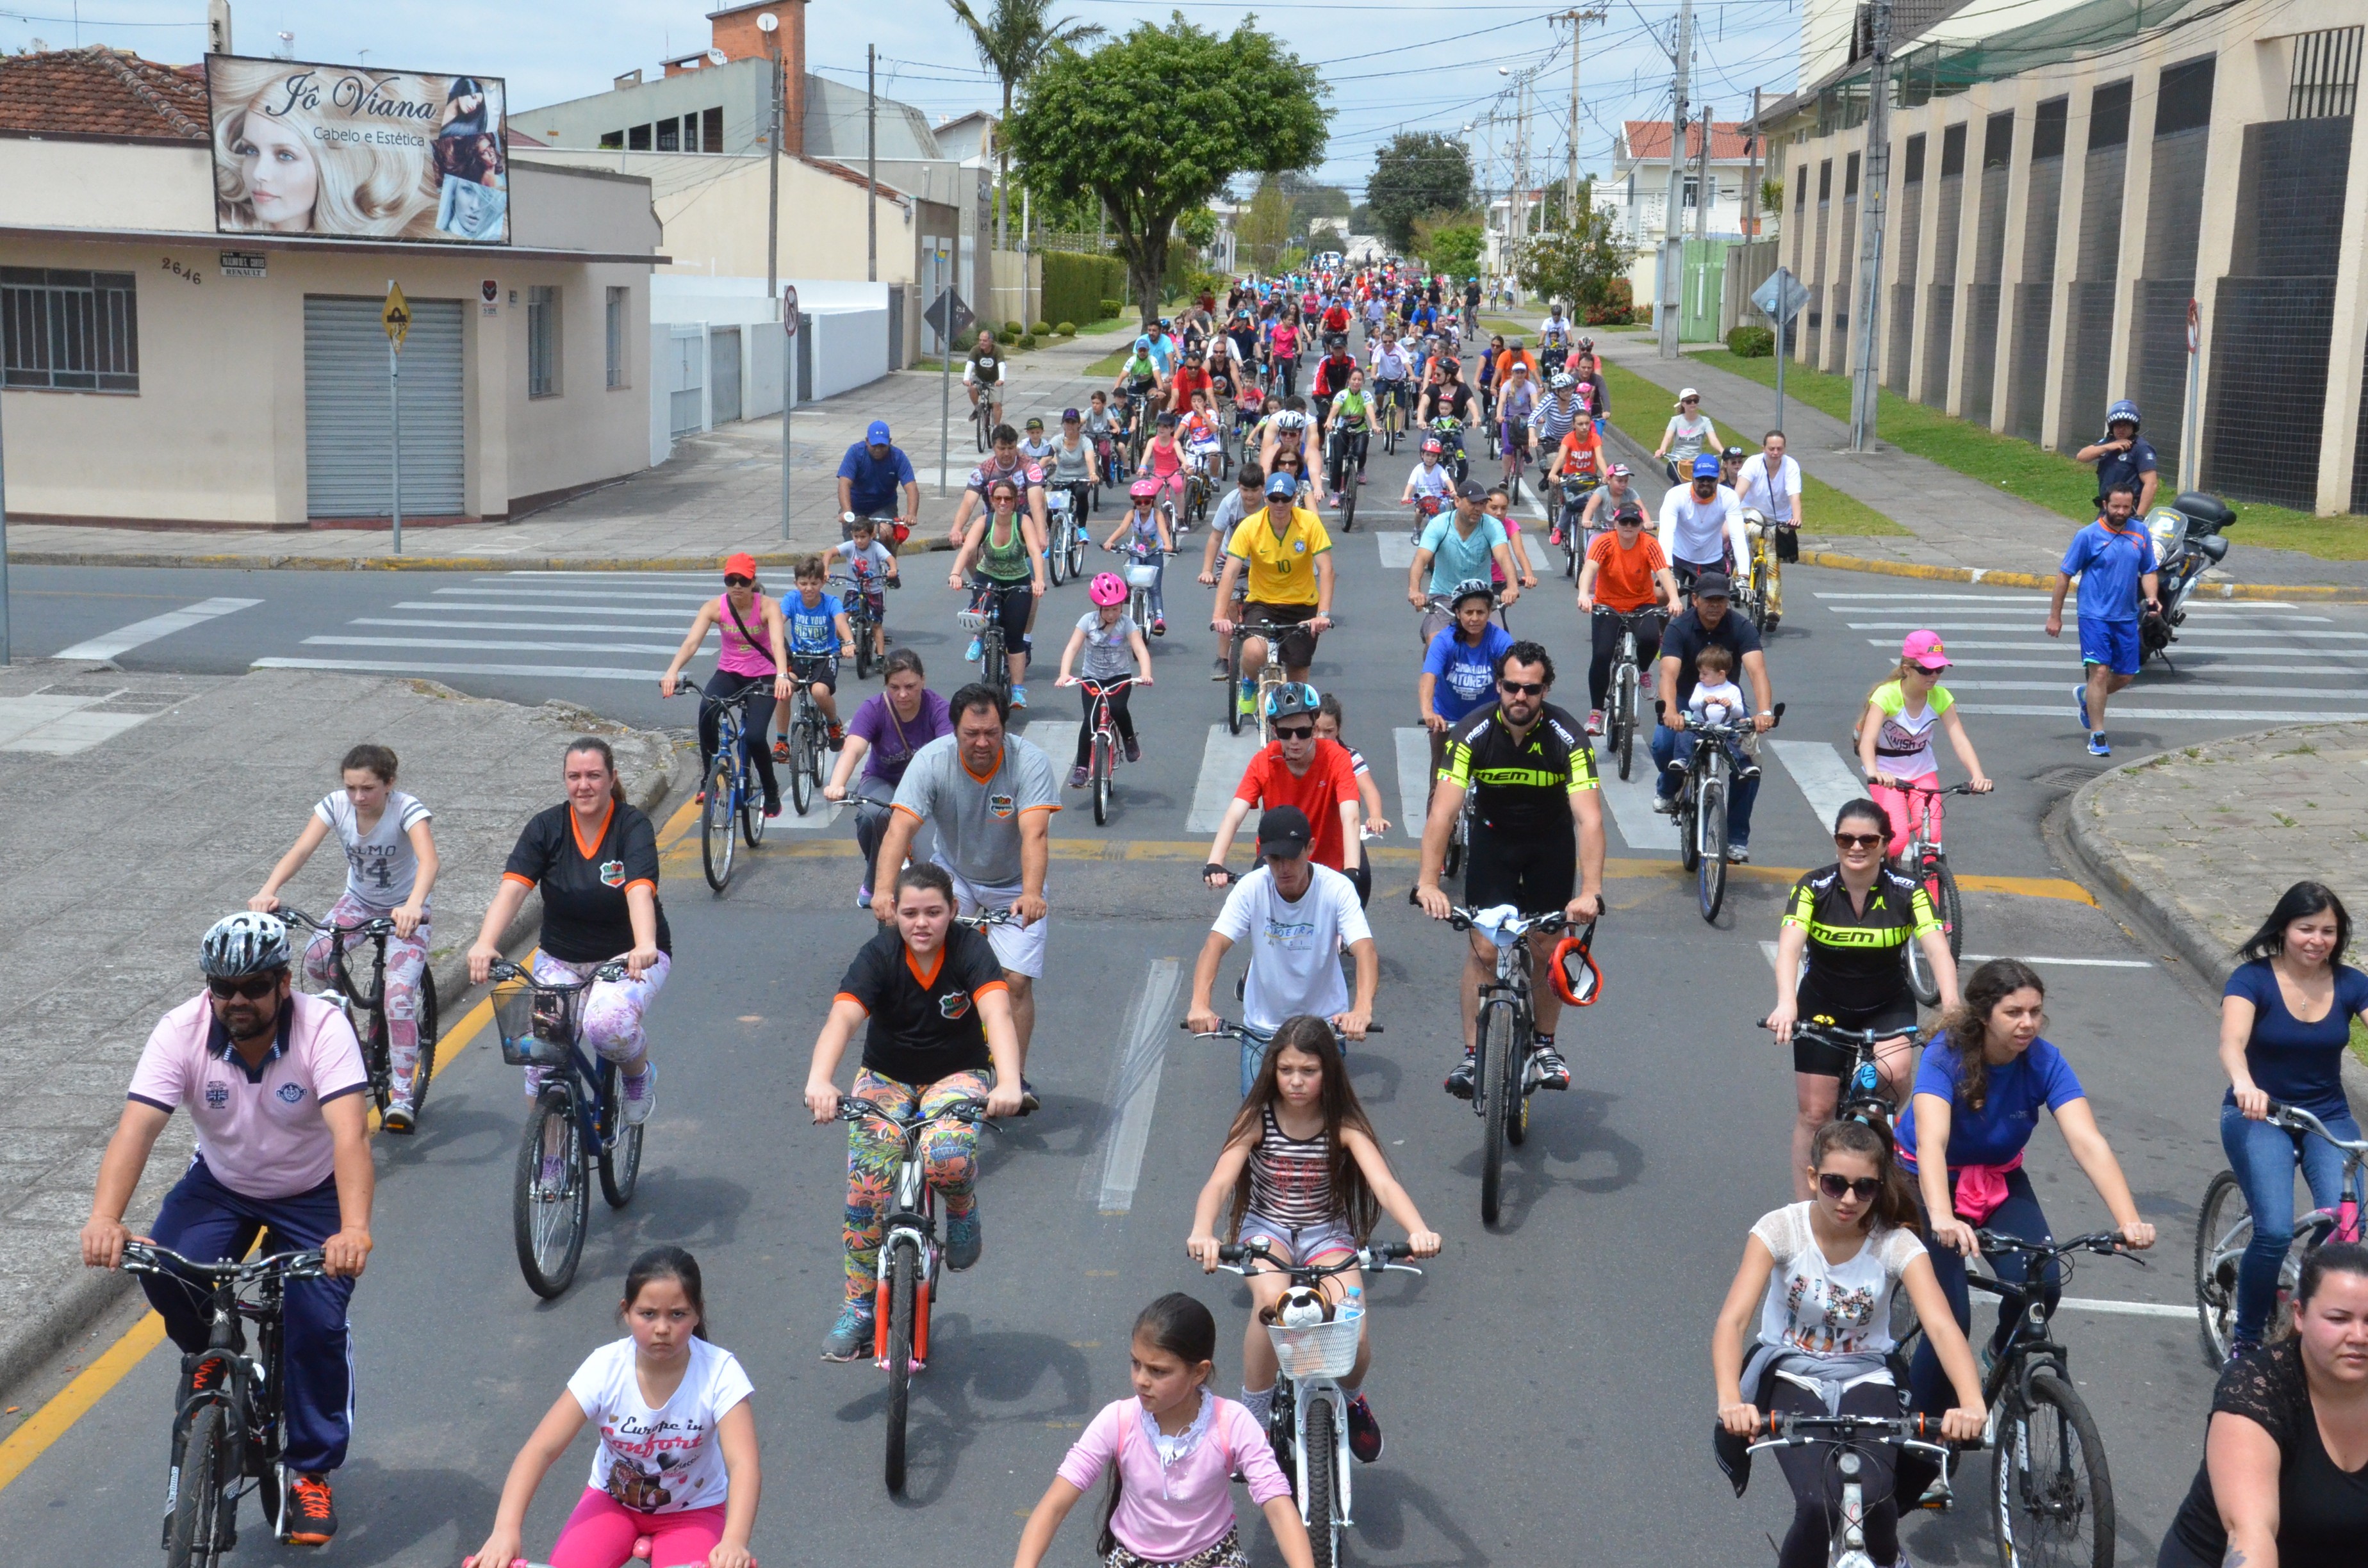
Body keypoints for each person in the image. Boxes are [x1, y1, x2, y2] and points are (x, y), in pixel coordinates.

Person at [81, 911, 375, 1548]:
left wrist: (352, 1230)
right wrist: (105, 1218)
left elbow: (350, 1135)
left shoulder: (322, 1029)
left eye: (251, 987)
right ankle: (209, 1359)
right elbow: (137, 1128)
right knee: (165, 1274)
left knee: (315, 1323)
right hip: (222, 1185)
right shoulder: (181, 1031)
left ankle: (311, 1469)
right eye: (222, 987)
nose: (235, 1001)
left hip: (313, 1192)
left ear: (284, 984)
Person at [1896, 959, 2157, 1433]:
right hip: (1924, 1181)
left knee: (2045, 1282)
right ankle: (1923, 1436)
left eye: (2035, 1011)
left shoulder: (2044, 1060)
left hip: (1995, 1178)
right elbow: (1931, 1142)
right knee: (1949, 1318)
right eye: (2014, 1012)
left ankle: (2001, 1347)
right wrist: (1941, 1216)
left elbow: (2087, 1141)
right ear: (1983, 1015)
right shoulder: (1945, 1055)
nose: (2028, 1023)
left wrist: (2128, 1220)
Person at [1711, 1121, 1987, 1568]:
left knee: (1879, 1505)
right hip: (1790, 1373)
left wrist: (1972, 1402)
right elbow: (1733, 1320)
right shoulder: (1781, 1230)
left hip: (1867, 1373)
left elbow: (1941, 1326)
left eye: (1865, 1189)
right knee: (1818, 1505)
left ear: (1880, 1189)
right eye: (1835, 1184)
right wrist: (1730, 1400)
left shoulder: (1896, 1244)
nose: (1848, 1200)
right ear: (1813, 1176)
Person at [1186, 1017, 1443, 1464]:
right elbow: (1219, 1183)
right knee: (1272, 1306)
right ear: (1272, 1071)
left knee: (1352, 1331)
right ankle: (1256, 1419)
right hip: (1268, 1231)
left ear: (1329, 1071)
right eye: (1286, 1071)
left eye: (1309, 1071)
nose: (1296, 1082)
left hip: (1328, 1235)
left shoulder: (1342, 1122)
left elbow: (1383, 1184)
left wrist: (1417, 1229)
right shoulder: (1256, 1118)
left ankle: (1355, 1401)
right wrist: (1202, 1231)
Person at [807, 863, 1026, 1357]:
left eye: (933, 912)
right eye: (910, 913)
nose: (921, 923)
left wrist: (1008, 1082)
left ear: (953, 912)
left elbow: (997, 1013)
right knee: (866, 1191)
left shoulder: (971, 950)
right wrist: (820, 1080)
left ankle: (962, 1208)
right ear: (894, 916)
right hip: (886, 1077)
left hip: (957, 1075)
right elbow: (843, 1018)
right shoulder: (879, 955)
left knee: (947, 1155)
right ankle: (859, 1309)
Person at [464, 1248, 759, 1568]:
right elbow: (540, 1450)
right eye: (648, 1314)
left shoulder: (720, 1372)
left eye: (677, 1314)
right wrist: (505, 1530)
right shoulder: (605, 1368)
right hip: (612, 1503)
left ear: (697, 1313)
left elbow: (742, 1463)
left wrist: (734, 1542)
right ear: (627, 1311)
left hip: (693, 1512)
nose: (662, 1328)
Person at [1415, 642, 1606, 1096]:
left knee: (1545, 946)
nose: (1521, 697)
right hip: (1494, 841)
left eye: (1532, 689)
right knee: (1483, 949)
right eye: (1511, 687)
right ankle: (1471, 1055)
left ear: (1546, 689)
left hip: (1549, 844)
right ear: (1498, 685)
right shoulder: (1472, 732)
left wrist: (1591, 891)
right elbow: (1442, 814)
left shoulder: (1568, 737)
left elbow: (1590, 819)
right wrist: (1427, 881)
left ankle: (1544, 1045)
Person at [1012, 1294, 1314, 1568]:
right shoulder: (1118, 1420)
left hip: (1214, 1558)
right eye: (1136, 1364)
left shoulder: (1232, 1422)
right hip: (1133, 1559)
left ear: (1199, 1371)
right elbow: (1053, 1507)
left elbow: (1278, 1506)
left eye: (1158, 1371)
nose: (1141, 1380)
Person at [868, 685, 1055, 1102]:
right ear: (954, 730)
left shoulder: (1030, 763)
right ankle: (939, 1061)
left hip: (1013, 884)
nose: (983, 742)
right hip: (955, 877)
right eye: (972, 733)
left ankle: (1013, 1081)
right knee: (931, 969)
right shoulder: (932, 762)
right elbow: (899, 829)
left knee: (1015, 982)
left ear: (1005, 728)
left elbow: (1035, 834)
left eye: (992, 732)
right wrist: (884, 891)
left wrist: (1030, 892)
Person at [470, 738, 671, 1121]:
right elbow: (513, 890)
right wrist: (485, 943)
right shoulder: (546, 827)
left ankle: (638, 1075)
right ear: (565, 781)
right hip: (561, 956)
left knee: (606, 1026)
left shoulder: (632, 826)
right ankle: (548, 1166)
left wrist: (644, 944)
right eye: (575, 777)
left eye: (594, 776)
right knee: (539, 1056)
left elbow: (640, 892)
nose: (584, 785)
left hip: (627, 957)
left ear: (612, 778)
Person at [1767, 798, 1958, 1193]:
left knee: (1896, 1072)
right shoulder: (1812, 887)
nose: (1856, 847)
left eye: (1868, 840)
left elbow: (1938, 948)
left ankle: (1877, 1124)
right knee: (1815, 1113)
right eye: (1846, 839)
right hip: (1823, 1004)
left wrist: (1952, 1004)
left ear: (1886, 843)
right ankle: (1804, 1211)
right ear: (1836, 842)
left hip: (1886, 1002)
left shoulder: (1909, 890)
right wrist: (1787, 1003)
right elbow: (1788, 949)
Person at [248, 742, 440, 1130]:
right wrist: (268, 889)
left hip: (405, 909)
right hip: (359, 902)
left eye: (368, 788)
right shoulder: (336, 806)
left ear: (389, 784)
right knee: (315, 958)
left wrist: (414, 905)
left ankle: (402, 1094)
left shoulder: (407, 809)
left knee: (398, 997)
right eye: (351, 788)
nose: (358, 797)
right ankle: (348, 1044)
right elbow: (302, 849)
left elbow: (429, 860)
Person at [2216, 882, 2368, 1359]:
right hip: (2259, 1113)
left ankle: (2307, 1299)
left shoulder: (2351, 984)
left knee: (2352, 1228)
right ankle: (2246, 1338)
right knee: (2276, 1230)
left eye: (2328, 931)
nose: (2316, 940)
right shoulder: (2252, 979)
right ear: (2284, 929)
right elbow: (2231, 1043)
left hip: (2327, 1114)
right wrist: (2245, 1083)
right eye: (2306, 928)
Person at [2157, 1243, 2368, 1568]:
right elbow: (2251, 1536)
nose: (2359, 1335)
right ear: (2299, 1314)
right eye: (2339, 1319)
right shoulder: (2256, 1391)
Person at [1188, 806, 1377, 1094]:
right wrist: (1200, 1004)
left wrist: (1362, 1010)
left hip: (1324, 1024)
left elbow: (1365, 951)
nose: (1283, 868)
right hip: (1263, 1027)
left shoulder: (1337, 889)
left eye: (1292, 857)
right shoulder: (1252, 888)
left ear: (1310, 848)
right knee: (1253, 1122)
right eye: (1275, 859)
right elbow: (1214, 946)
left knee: (1331, 1118)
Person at [1204, 684, 1368, 902]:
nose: (1294, 741)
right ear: (1273, 729)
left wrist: (1351, 871)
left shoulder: (1337, 758)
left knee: (1354, 906)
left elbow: (1351, 816)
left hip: (1332, 865)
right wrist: (1215, 861)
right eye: (1284, 733)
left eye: (1303, 732)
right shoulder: (1263, 761)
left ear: (1314, 724)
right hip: (1281, 863)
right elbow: (1234, 815)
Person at [659, 553, 793, 818]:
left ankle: (771, 789)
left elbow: (778, 643)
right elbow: (691, 643)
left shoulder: (768, 607)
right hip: (730, 673)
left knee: (755, 736)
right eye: (730, 580)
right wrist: (672, 671)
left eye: (743, 581)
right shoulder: (714, 607)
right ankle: (709, 776)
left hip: (764, 676)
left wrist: (781, 675)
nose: (737, 587)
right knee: (707, 709)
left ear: (753, 582)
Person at [1650, 573, 1775, 858]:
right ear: (1694, 600)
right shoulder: (1679, 628)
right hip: (1686, 699)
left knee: (1747, 765)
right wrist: (1670, 711)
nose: (1716, 606)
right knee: (1662, 745)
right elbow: (1668, 674)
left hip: (1728, 703)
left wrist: (1764, 712)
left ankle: (1736, 839)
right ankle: (1670, 787)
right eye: (1709, 600)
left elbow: (1757, 672)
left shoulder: (1741, 627)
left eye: (1722, 600)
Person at [825, 650, 952, 902]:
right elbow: (853, 748)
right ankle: (874, 880)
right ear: (886, 686)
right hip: (883, 782)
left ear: (923, 681)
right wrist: (836, 785)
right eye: (895, 687)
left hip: (924, 790)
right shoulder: (874, 709)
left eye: (910, 686)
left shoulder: (938, 709)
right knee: (872, 816)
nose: (902, 694)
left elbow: (949, 752)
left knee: (932, 866)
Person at [2046, 480, 2160, 757]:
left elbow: (2148, 570)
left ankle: (2087, 698)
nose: (2121, 512)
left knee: (2126, 675)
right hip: (2094, 615)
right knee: (2099, 672)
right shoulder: (2087, 535)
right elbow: (2064, 576)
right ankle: (2097, 735)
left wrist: (2153, 597)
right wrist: (2055, 616)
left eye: (2126, 506)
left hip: (2126, 617)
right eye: (2115, 506)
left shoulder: (2141, 533)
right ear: (2105, 505)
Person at [1855, 632, 1993, 863]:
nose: (1934, 676)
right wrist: (1874, 772)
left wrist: (1977, 775)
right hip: (1887, 772)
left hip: (1922, 771)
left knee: (1932, 841)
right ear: (1907, 669)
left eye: (1939, 670)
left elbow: (1959, 738)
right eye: (1926, 670)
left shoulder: (1940, 697)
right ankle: (1884, 879)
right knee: (1898, 839)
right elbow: (1867, 741)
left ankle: (1929, 897)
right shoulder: (1887, 695)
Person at [1213, 473, 1336, 696]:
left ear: (1295, 498)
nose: (1279, 504)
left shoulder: (1309, 523)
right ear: (1266, 499)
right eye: (1274, 498)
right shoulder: (1250, 526)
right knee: (1253, 652)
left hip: (1302, 605)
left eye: (1285, 499)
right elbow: (1230, 573)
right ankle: (1249, 684)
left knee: (1298, 688)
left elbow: (1327, 570)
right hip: (1263, 602)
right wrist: (1219, 615)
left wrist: (1323, 613)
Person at [1576, 500, 1677, 733]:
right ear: (1616, 523)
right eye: (1624, 522)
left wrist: (1673, 599)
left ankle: (1642, 671)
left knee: (1651, 639)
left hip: (1641, 604)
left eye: (1634, 522)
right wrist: (1584, 595)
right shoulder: (1604, 542)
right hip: (1608, 605)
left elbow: (1663, 573)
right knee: (1602, 655)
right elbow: (1589, 569)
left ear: (1642, 525)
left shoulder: (1649, 544)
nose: (1629, 526)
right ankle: (1596, 713)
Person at [951, 475, 1051, 707]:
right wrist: (955, 574)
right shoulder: (984, 522)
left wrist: (1039, 581)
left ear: (1015, 501)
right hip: (989, 576)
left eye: (1008, 498)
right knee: (981, 600)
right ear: (992, 501)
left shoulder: (1022, 521)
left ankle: (1017, 691)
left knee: (1015, 639)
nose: (1003, 503)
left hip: (1017, 579)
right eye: (998, 498)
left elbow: (1035, 552)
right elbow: (968, 550)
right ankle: (978, 636)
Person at [1057, 573, 1153, 788]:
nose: (1112, 614)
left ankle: (1129, 738)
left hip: (1119, 677)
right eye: (1107, 609)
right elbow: (1072, 648)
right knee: (1090, 719)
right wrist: (1065, 674)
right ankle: (1082, 768)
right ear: (1097, 606)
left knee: (1117, 708)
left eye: (1116, 608)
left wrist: (1145, 673)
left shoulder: (1127, 624)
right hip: (1092, 677)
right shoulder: (1087, 622)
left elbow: (1140, 649)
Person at [1420, 582, 1516, 775]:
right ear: (1457, 613)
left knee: (1497, 780)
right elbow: (1429, 677)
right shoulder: (1444, 641)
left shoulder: (1500, 640)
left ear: (1489, 613)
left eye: (1480, 613)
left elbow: (1515, 676)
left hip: (1488, 721)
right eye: (1468, 612)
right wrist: (1428, 712)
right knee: (1441, 782)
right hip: (1446, 721)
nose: (1474, 618)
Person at [1407, 480, 1517, 644]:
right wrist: (1414, 590)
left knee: (1501, 644)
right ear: (1457, 501)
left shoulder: (1492, 526)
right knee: (1435, 643)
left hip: (1481, 596)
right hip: (1444, 597)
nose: (1478, 509)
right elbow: (1421, 559)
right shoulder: (1439, 525)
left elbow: (1504, 557)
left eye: (1482, 504)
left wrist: (1512, 587)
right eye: (1473, 503)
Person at [778, 554, 857, 749]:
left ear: (823, 582)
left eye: (814, 583)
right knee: (784, 689)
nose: (809, 588)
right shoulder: (791, 599)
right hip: (799, 657)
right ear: (795, 583)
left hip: (825, 657)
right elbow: (778, 621)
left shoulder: (831, 603)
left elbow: (841, 622)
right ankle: (781, 742)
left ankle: (833, 724)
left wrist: (848, 642)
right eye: (803, 583)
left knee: (819, 692)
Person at [1734, 431, 1803, 630]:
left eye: (1779, 449)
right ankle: (1741, 574)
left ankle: (1772, 610)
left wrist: (1796, 518)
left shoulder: (1791, 466)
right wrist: (1730, 514)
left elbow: (1794, 496)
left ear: (1785, 449)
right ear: (1763, 448)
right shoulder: (1753, 464)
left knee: (1772, 564)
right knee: (1752, 533)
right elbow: (1740, 492)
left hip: (1777, 518)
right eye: (1771, 449)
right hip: (1751, 512)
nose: (1775, 453)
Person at [1659, 453, 1750, 593]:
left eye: (1711, 479)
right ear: (1693, 477)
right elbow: (1666, 533)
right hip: (1678, 557)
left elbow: (1738, 536)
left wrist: (1744, 576)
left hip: (1712, 560)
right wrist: (1667, 568)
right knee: (1662, 595)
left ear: (1719, 477)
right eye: (1701, 479)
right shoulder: (1676, 495)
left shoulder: (1728, 497)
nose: (1706, 483)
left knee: (1715, 605)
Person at [948, 425, 1049, 550]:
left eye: (1011, 448)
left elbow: (1036, 504)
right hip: (994, 524)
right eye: (1002, 448)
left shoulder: (1030, 467)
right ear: (994, 448)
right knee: (969, 550)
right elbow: (968, 503)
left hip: (1024, 526)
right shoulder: (982, 471)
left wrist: (1041, 536)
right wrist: (957, 529)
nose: (1007, 453)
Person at [1102, 474, 1175, 636]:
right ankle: (1129, 596)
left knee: (1155, 588)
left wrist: (1168, 544)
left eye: (1146, 502)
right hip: (1136, 550)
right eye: (1138, 502)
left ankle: (1159, 618)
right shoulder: (1131, 514)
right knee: (1130, 578)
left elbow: (1163, 530)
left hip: (1155, 552)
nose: (1143, 506)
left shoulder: (1157, 514)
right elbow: (1122, 529)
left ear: (1152, 501)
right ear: (1134, 503)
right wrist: (1110, 541)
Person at [1313, 692, 1390, 843]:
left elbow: (1369, 790)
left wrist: (1376, 816)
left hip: (1340, 830)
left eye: (1328, 731)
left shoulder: (1350, 757)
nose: (1321, 737)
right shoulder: (1299, 754)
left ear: (1338, 729)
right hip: (1308, 827)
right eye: (1315, 730)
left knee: (1362, 867)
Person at [836, 419, 919, 546]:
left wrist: (911, 514)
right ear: (867, 441)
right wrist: (847, 511)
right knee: (855, 542)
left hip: (883, 507)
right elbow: (844, 484)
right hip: (856, 507)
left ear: (890, 442)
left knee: (884, 533)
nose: (878, 450)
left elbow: (911, 488)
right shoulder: (855, 453)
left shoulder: (898, 457)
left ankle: (889, 563)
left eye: (882, 446)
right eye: (874, 446)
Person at [832, 515, 900, 662]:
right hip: (853, 587)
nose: (859, 541)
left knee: (876, 624)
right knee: (844, 616)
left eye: (863, 537)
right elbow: (829, 554)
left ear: (872, 536)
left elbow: (890, 559)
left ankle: (881, 656)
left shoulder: (876, 547)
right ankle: (834, 645)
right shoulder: (850, 546)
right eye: (856, 537)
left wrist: (893, 569)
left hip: (873, 589)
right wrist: (825, 570)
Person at [2073, 398, 2158, 514]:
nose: (2121, 429)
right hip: (2107, 508)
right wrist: (2109, 446)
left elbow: (2151, 484)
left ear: (2133, 427)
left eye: (2126, 425)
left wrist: (2139, 516)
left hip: (2127, 510)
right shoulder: (2108, 442)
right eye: (2117, 425)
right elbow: (2081, 456)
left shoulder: (2141, 448)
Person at [1683, 644, 1754, 782]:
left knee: (1738, 742)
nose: (1701, 677)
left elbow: (1739, 713)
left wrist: (1732, 705)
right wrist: (1703, 700)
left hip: (1724, 728)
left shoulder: (1732, 690)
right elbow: (1692, 704)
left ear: (1721, 674)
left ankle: (1744, 765)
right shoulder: (1700, 687)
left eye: (1705, 674)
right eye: (1700, 673)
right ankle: (1684, 760)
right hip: (1701, 726)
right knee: (1685, 736)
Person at [1655, 387, 1720, 483]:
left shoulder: (1705, 421)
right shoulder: (1676, 420)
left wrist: (1723, 451)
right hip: (1678, 460)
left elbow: (1713, 439)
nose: (1693, 403)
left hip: (1696, 460)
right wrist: (1662, 449)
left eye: (1695, 401)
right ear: (1683, 404)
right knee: (1680, 478)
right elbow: (1668, 437)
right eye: (1689, 401)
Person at [964, 329, 1007, 429]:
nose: (982, 343)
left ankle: (996, 429)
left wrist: (1001, 379)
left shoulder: (997, 350)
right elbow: (970, 365)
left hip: (994, 380)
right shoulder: (975, 350)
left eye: (985, 341)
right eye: (980, 340)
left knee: (997, 404)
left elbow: (1002, 365)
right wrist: (966, 379)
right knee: (972, 388)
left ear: (991, 341)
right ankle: (977, 408)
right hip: (980, 378)